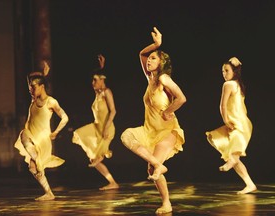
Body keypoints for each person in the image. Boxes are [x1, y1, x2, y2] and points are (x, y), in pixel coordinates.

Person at [120, 27, 186, 214]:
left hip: (167, 131)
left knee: (152, 169)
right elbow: (142, 53)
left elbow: (181, 98)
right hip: (149, 130)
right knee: (126, 136)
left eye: (154, 57)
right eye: (150, 58)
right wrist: (156, 45)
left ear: (162, 62)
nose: (149, 60)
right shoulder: (150, 78)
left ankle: (166, 203)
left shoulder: (164, 78)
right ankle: (158, 166)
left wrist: (168, 111)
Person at [14, 62, 69, 201]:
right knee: (33, 168)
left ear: (42, 87)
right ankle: (49, 193)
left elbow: (65, 117)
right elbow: (33, 80)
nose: (30, 90)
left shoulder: (51, 102)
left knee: (23, 135)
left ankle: (37, 159)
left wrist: (56, 132)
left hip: (42, 139)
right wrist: (44, 74)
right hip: (31, 137)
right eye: (29, 87)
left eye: (33, 87)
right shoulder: (34, 99)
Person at [206, 57, 257, 195]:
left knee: (233, 154)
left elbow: (222, 105)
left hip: (237, 124)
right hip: (242, 123)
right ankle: (249, 183)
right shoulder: (238, 85)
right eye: (222, 71)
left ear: (234, 71)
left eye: (227, 70)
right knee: (214, 138)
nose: (224, 73)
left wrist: (226, 120)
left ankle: (230, 161)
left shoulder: (228, 85)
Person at [72, 54, 119, 191]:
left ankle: (105, 153)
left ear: (101, 80)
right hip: (96, 127)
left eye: (94, 80)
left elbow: (113, 111)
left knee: (97, 158)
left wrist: (106, 128)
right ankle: (112, 182)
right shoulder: (98, 94)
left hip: (106, 129)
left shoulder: (106, 92)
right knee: (93, 158)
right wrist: (101, 67)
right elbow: (99, 74)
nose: (92, 83)